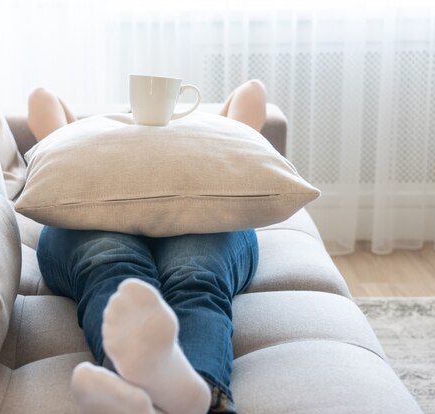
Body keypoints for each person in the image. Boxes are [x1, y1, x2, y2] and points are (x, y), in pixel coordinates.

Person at [29, 80, 267, 414]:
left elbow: (253, 91)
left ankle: (182, 391)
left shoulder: (202, 133)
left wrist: (195, 124)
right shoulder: (90, 137)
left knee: (193, 275)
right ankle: (189, 395)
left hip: (200, 216)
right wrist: (97, 130)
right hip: (92, 217)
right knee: (115, 272)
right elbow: (42, 98)